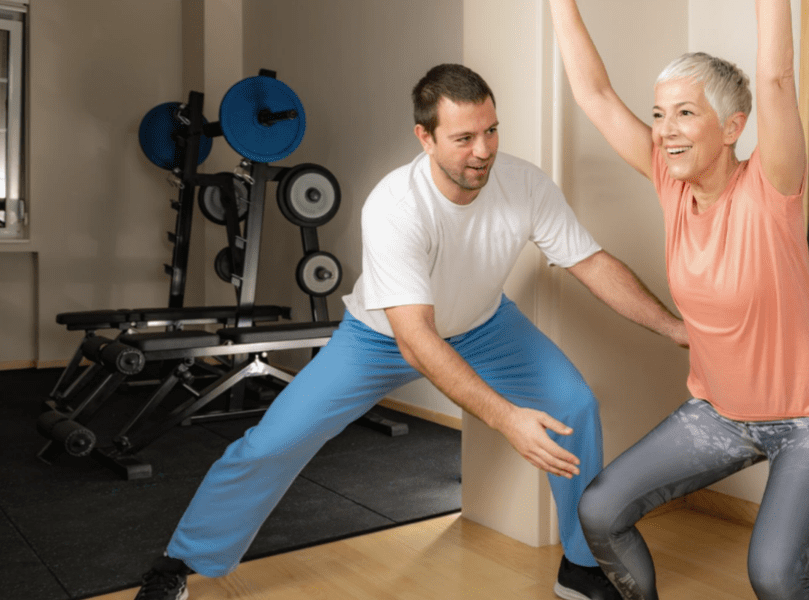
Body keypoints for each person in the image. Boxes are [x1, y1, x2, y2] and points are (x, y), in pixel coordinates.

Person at [133, 63, 687, 600]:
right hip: (380, 339)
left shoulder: (523, 183)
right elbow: (416, 340)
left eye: (492, 130)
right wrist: (507, 419)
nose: (484, 150)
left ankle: (581, 566)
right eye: (464, 137)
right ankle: (181, 560)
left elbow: (591, 263)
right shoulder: (396, 205)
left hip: (483, 326)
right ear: (425, 137)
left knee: (574, 407)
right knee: (274, 442)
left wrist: (674, 328)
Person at [547, 0, 809, 598]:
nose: (664, 129)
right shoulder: (672, 183)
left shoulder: (773, 185)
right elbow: (593, 94)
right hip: (721, 414)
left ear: (732, 127)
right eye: (659, 114)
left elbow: (774, 77)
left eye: (685, 113)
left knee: (774, 575)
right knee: (599, 511)